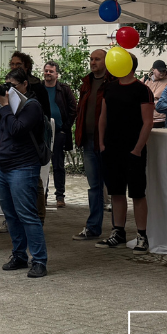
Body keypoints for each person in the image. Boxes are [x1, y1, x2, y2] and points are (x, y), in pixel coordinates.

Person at [0, 69, 49, 277]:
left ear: (25, 85)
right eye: (8, 86)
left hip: (23, 166)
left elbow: (16, 129)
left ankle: (39, 260)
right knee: (11, 215)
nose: (10, 90)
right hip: (2, 166)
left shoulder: (31, 106)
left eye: (14, 86)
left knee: (27, 214)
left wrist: (5, 107)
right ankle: (19, 256)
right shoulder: (6, 103)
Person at [97, 52, 155, 250]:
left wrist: (138, 148)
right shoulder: (109, 89)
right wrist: (102, 144)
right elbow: (103, 118)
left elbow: (148, 122)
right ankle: (118, 231)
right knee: (116, 192)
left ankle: (142, 235)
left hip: (133, 150)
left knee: (137, 193)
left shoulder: (142, 90)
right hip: (112, 148)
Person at [73, 48, 110, 240]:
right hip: (88, 141)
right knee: (94, 186)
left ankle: (117, 228)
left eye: (97, 59)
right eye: (91, 59)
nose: (93, 62)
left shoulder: (113, 82)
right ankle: (93, 227)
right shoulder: (86, 82)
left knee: (114, 186)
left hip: (108, 142)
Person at [42, 61, 77, 209]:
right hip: (42, 132)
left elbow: (73, 109)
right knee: (42, 165)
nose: (48, 73)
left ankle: (60, 196)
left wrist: (65, 128)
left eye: (51, 71)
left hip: (59, 132)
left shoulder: (64, 89)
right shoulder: (39, 89)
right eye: (46, 71)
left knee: (58, 165)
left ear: (56, 74)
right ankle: (42, 195)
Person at [144, 61, 167, 126]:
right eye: (160, 71)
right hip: (147, 118)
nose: (162, 73)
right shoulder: (147, 81)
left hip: (161, 119)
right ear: (153, 70)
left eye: (163, 71)